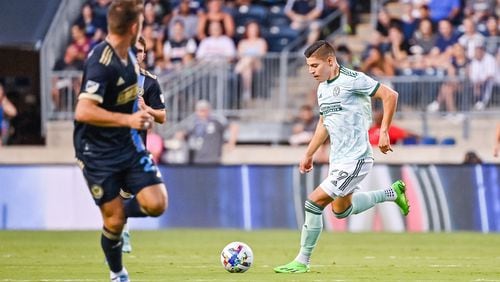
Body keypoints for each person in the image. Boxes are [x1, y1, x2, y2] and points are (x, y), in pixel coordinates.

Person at [274, 40, 410, 274]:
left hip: (357, 159)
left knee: (313, 202)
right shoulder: (322, 89)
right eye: (308, 66)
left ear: (330, 60)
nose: (311, 71)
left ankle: (302, 260)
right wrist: (308, 154)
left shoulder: (353, 79)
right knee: (341, 210)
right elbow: (323, 124)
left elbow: (390, 96)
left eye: (314, 65)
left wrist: (385, 131)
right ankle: (391, 193)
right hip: (338, 160)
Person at [73, 1, 168, 281]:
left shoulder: (130, 58)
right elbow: (83, 110)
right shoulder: (102, 61)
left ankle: (115, 214)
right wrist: (128, 120)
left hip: (128, 145)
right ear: (134, 27)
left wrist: (139, 114)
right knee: (113, 222)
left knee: (156, 203)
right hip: (97, 152)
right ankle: (118, 273)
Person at [120, 35, 167, 254]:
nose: (135, 54)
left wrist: (146, 108)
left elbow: (162, 116)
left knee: (138, 195)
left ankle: (121, 229)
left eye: (139, 51)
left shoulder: (149, 82)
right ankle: (121, 235)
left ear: (144, 55)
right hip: (112, 144)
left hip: (137, 146)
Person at [185, 100, 238, 164]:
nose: (202, 113)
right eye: (200, 110)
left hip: (213, 160)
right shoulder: (193, 123)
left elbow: (233, 127)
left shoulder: (216, 120)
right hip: (196, 159)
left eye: (204, 110)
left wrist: (231, 143)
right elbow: (184, 134)